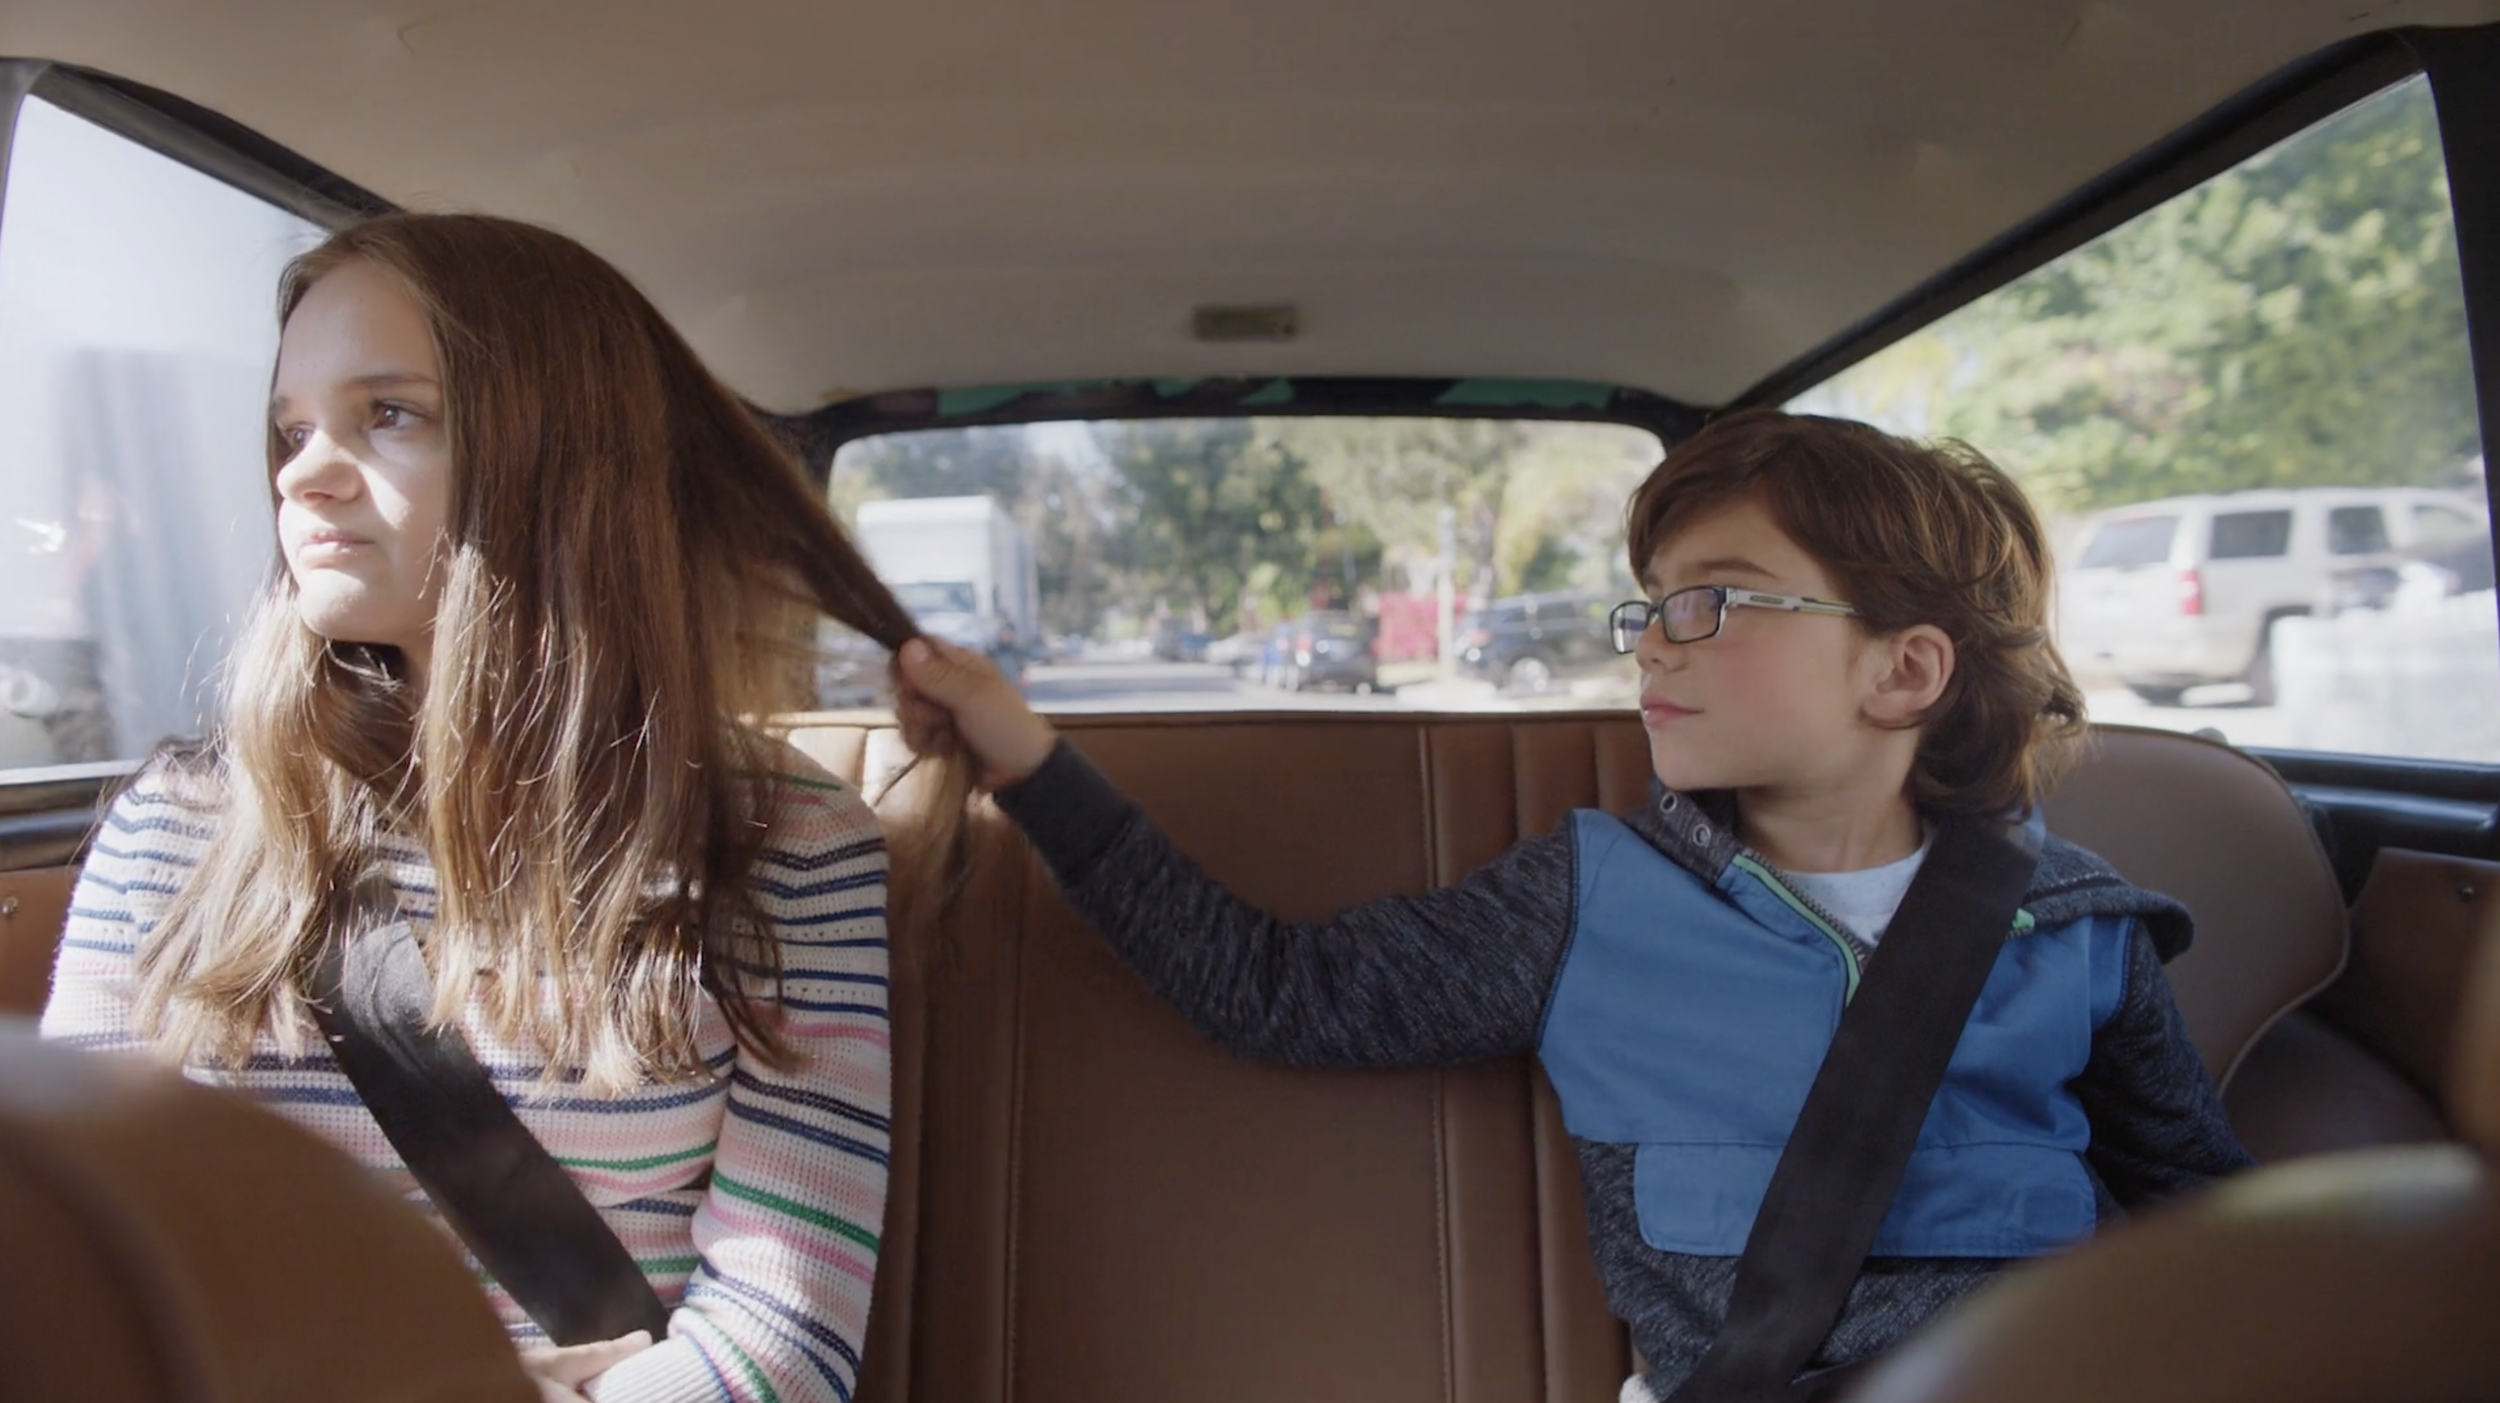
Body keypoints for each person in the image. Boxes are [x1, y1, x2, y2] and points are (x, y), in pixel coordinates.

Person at [893, 409, 2253, 1399]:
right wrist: (1032, 764)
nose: (1651, 641)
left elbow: (2206, 1212)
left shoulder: (2078, 923)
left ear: (1902, 672)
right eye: (1649, 604)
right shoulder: (1591, 897)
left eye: (1711, 601)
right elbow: (1276, 988)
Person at [41, 213, 963, 1403]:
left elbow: (782, 1343)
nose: (302, 472)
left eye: (390, 413)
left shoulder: (789, 841)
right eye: (291, 428)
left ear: (564, 460)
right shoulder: (177, 825)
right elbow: (82, 1269)